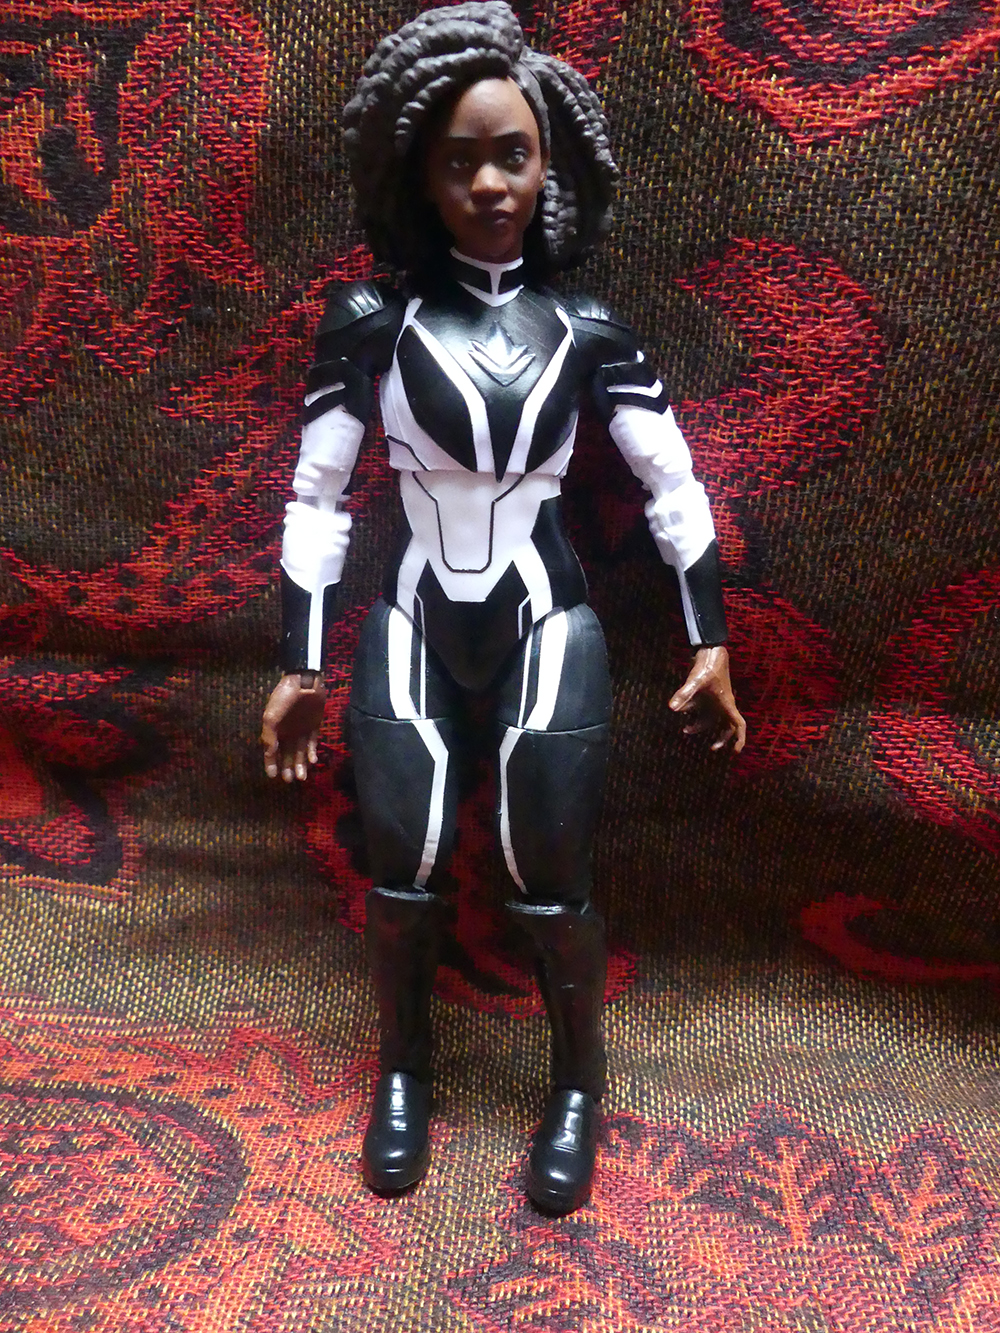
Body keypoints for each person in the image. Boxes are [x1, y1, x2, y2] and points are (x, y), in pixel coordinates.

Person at [261, 1, 745, 1215]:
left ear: (549, 167)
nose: (488, 183)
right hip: (412, 618)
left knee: (549, 868)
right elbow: (316, 491)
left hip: (546, 619)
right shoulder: (370, 326)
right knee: (402, 867)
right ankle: (404, 1072)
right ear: (418, 176)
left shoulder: (589, 330)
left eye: (512, 155)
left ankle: (576, 1083)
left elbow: (673, 484)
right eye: (460, 160)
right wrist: (299, 660)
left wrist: (710, 637)